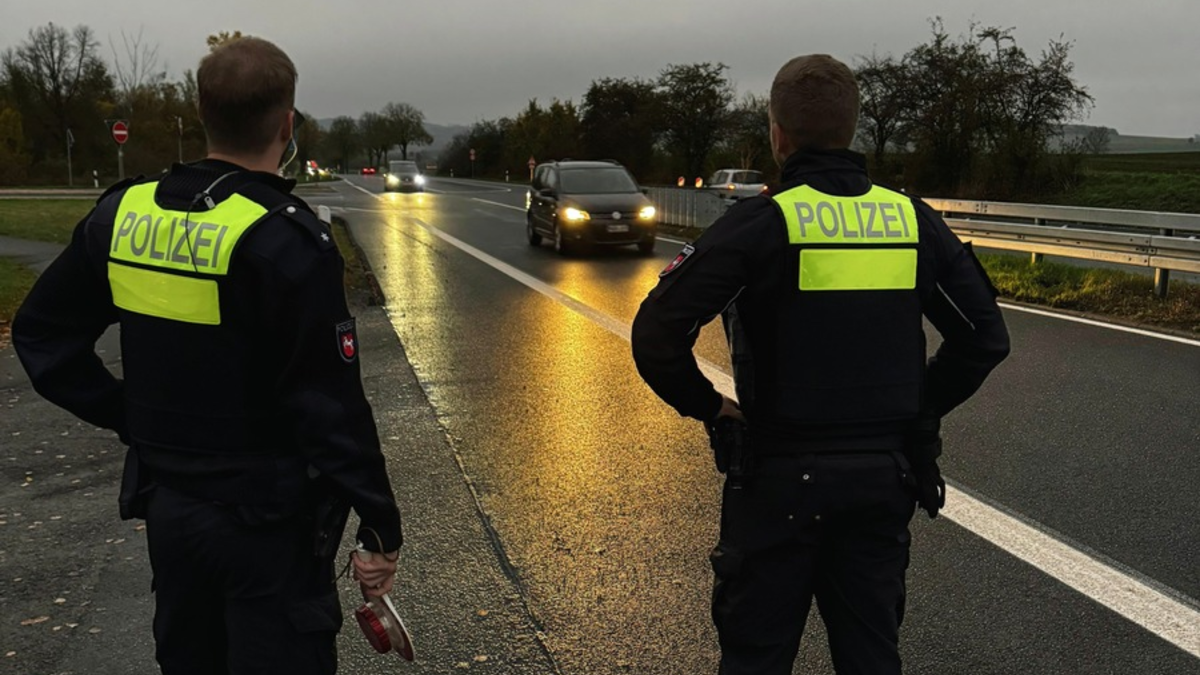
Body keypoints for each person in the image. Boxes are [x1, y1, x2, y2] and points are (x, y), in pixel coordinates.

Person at [12, 37, 402, 675]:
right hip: (268, 524)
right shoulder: (285, 236)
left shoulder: (123, 214)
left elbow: (43, 336)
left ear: (200, 113)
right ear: (287, 123)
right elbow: (327, 406)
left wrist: (127, 413)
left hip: (171, 510)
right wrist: (379, 523)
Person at [631, 54, 1010, 675]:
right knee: (870, 655)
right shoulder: (910, 220)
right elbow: (984, 339)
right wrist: (918, 408)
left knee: (756, 657)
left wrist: (711, 407)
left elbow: (657, 334)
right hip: (882, 481)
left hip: (776, 476)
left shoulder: (760, 223)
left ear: (777, 134)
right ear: (853, 130)